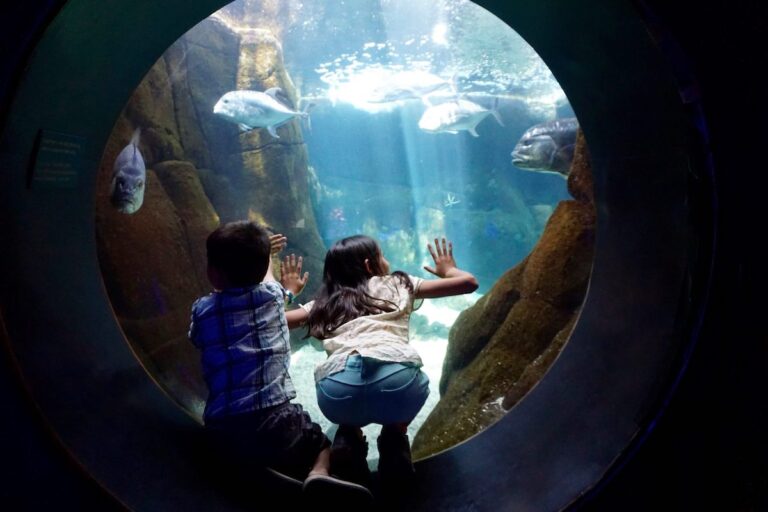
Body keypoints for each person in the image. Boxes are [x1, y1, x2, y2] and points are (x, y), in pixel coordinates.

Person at [188, 220, 371, 500]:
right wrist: (276, 267)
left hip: (221, 426)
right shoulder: (273, 297)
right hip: (274, 419)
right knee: (319, 442)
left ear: (213, 273)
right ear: (263, 269)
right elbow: (272, 284)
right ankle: (318, 474)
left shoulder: (202, 310)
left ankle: (245, 473)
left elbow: (196, 338)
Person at [287, 235, 478, 490]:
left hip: (337, 392)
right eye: (382, 255)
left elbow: (274, 318)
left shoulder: (324, 300)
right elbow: (468, 283)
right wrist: (448, 269)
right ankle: (395, 439)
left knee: (351, 405)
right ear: (369, 265)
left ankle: (347, 439)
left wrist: (288, 292)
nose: (386, 261)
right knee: (401, 392)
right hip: (399, 387)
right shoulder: (399, 284)